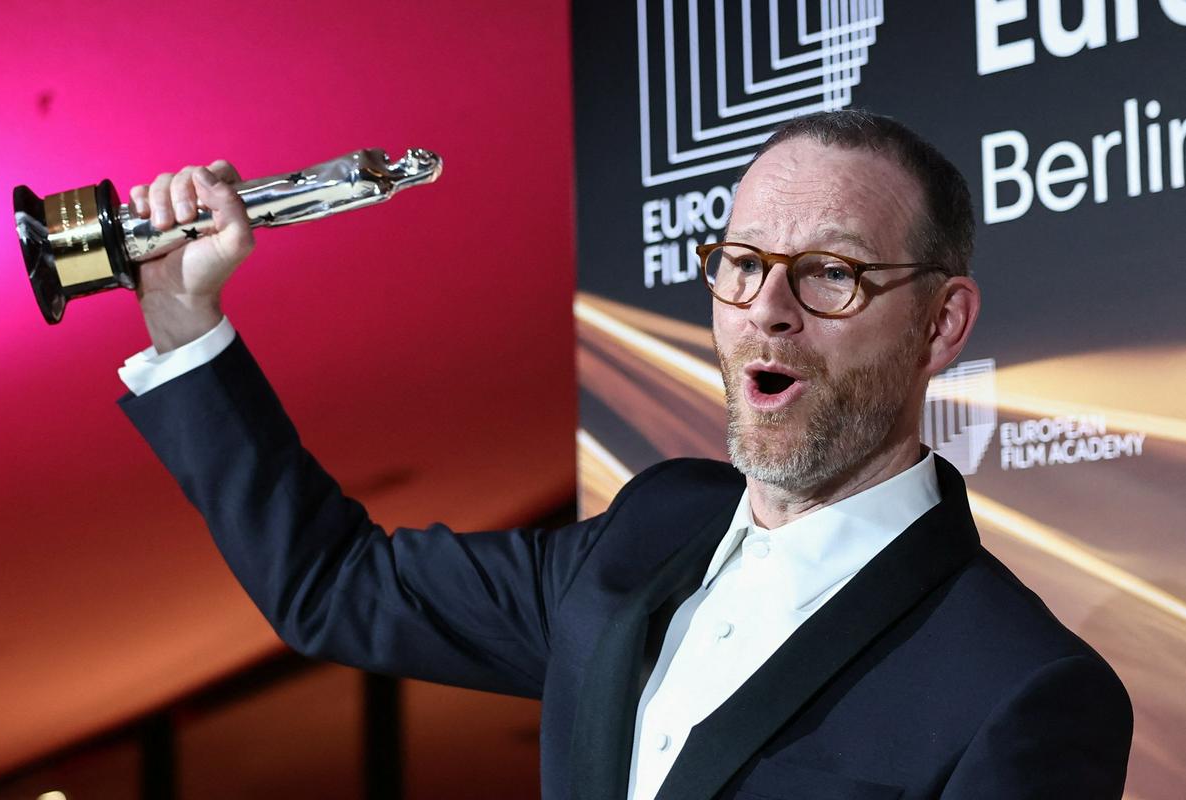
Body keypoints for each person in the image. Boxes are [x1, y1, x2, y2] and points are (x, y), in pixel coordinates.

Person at [117, 111, 1133, 799]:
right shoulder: (649, 527)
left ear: (941, 324)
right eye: (741, 263)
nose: (767, 310)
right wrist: (184, 318)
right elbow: (336, 585)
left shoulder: (1023, 688)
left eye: (830, 272)